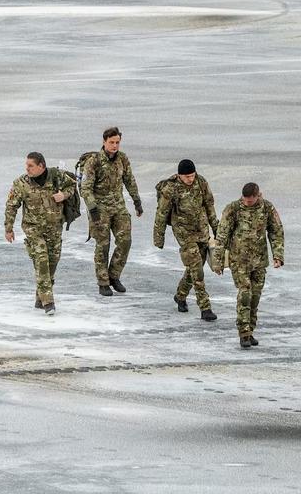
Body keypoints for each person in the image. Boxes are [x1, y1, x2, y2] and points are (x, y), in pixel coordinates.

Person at [211, 182, 284, 348]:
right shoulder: (233, 209)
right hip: (239, 261)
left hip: (259, 261)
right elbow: (221, 236)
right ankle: (243, 334)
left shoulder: (267, 208)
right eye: (245, 200)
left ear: (258, 196)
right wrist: (218, 261)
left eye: (250, 201)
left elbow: (276, 231)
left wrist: (278, 255)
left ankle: (250, 331)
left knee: (255, 297)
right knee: (245, 295)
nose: (247, 203)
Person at [5, 152, 76, 315]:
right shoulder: (21, 183)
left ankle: (40, 297)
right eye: (26, 165)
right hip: (33, 228)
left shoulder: (57, 176)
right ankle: (48, 301)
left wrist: (63, 195)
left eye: (30, 166)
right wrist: (9, 228)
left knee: (52, 262)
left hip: (54, 228)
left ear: (41, 166)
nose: (27, 168)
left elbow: (72, 186)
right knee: (42, 259)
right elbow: (11, 206)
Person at [153, 159, 218, 321]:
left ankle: (180, 295)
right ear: (179, 175)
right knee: (197, 269)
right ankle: (205, 308)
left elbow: (210, 206)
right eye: (187, 176)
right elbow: (161, 213)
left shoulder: (201, 182)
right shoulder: (171, 188)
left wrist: (217, 230)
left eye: (192, 175)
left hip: (201, 229)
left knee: (195, 267)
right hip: (183, 232)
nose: (190, 179)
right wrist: (159, 237)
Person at [80, 127, 142, 296]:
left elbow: (129, 180)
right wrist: (92, 208)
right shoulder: (94, 161)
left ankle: (114, 276)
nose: (115, 146)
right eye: (111, 142)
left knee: (125, 241)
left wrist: (137, 201)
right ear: (104, 142)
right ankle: (103, 282)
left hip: (118, 206)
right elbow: (85, 188)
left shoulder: (122, 158)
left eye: (117, 142)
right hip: (99, 208)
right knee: (103, 245)